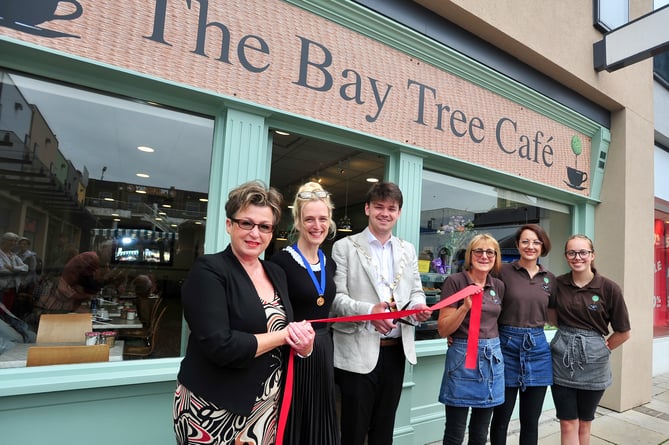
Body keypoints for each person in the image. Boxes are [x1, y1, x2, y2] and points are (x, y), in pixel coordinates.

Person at [173, 180, 315, 445]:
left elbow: (284, 333)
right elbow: (221, 345)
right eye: (246, 223)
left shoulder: (276, 273)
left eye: (264, 226)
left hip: (265, 406)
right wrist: (285, 335)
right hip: (213, 407)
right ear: (229, 225)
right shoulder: (209, 270)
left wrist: (303, 346)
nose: (255, 233)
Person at [330, 181, 432, 445]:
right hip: (356, 352)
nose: (385, 213)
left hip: (396, 351)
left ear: (399, 213)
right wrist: (369, 311)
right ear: (367, 209)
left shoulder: (407, 249)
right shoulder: (344, 247)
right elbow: (336, 301)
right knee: (353, 431)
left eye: (392, 208)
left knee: (384, 431)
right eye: (379, 207)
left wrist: (418, 306)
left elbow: (416, 292)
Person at [270, 181, 340, 445]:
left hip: (323, 348)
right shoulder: (280, 263)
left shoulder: (329, 263)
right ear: (298, 222)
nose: (317, 225)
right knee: (296, 421)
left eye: (323, 218)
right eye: (309, 219)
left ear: (330, 221)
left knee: (320, 420)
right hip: (293, 352)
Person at [549, 234, 631, 445]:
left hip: (594, 362)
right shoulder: (558, 284)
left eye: (583, 252)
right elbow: (551, 316)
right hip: (562, 360)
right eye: (572, 252)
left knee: (585, 423)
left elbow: (623, 331)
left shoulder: (609, 288)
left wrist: (602, 347)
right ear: (566, 256)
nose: (578, 257)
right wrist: (566, 337)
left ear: (592, 255)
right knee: (567, 422)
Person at [490, 224, 556, 445]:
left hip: (537, 348)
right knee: (501, 418)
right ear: (517, 245)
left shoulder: (550, 278)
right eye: (526, 241)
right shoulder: (501, 271)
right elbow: (485, 304)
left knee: (530, 421)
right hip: (505, 345)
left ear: (543, 246)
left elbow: (555, 313)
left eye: (536, 242)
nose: (531, 246)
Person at [437, 234, 505, 445]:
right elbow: (443, 329)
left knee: (480, 432)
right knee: (455, 432)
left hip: (492, 359)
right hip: (462, 357)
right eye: (478, 251)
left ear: (496, 257)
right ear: (470, 255)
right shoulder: (455, 282)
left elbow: (495, 322)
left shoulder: (498, 286)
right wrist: (465, 308)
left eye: (489, 252)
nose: (484, 256)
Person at [0, 232, 29, 311]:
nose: (13, 243)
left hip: (13, 288)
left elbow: (26, 268)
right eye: (11, 240)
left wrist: (13, 268)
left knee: (8, 311)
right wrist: (18, 270)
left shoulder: (14, 255)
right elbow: (2, 269)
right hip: (2, 288)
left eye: (15, 241)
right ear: (3, 241)